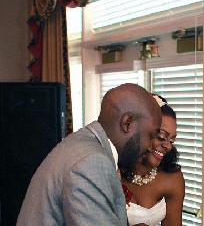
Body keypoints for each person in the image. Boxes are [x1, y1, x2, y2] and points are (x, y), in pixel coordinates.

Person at [16, 84, 162, 226]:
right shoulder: (91, 162)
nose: (151, 146)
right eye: (151, 135)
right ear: (127, 123)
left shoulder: (82, 141)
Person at [120, 94, 185, 226]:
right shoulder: (108, 170)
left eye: (171, 140)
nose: (167, 146)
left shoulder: (172, 179)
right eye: (161, 136)